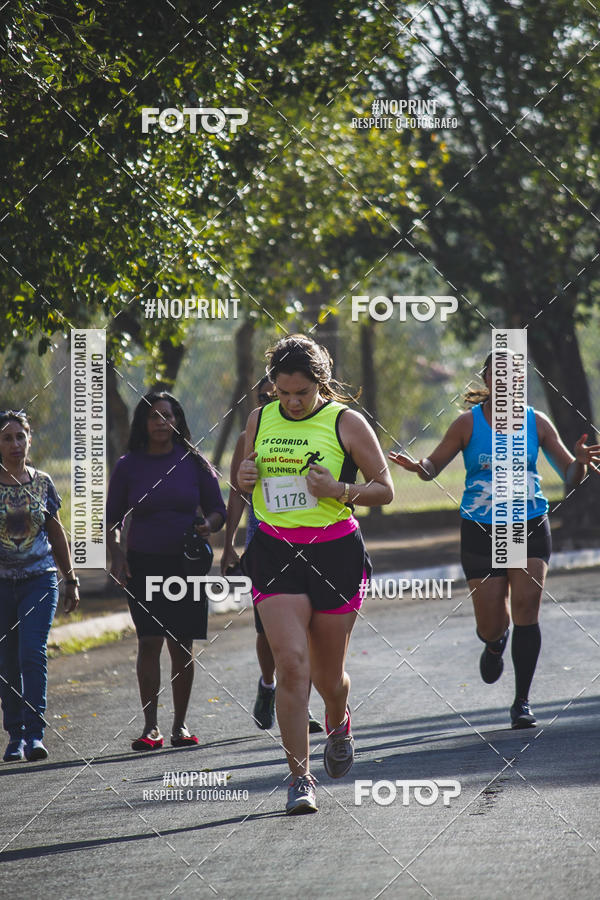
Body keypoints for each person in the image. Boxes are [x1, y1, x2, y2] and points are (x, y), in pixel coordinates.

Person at [389, 350, 600, 729]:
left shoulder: (537, 422)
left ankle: (522, 702)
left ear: (520, 381)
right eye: (495, 375)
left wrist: (580, 462)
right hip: (481, 528)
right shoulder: (466, 425)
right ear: (487, 381)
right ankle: (492, 641)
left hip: (527, 521)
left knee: (526, 606)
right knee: (491, 622)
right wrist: (419, 467)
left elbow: (570, 476)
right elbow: (432, 468)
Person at [238, 335, 393, 814]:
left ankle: (338, 717)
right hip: (275, 551)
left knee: (329, 679)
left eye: (300, 393)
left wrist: (340, 488)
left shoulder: (346, 422)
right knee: (291, 664)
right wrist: (242, 478)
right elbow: (245, 475)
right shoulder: (259, 418)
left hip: (333, 555)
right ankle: (299, 778)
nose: (291, 402)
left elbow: (384, 490)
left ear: (320, 384)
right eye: (281, 392)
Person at [106, 392, 226, 751]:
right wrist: (117, 554)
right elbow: (112, 520)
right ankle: (150, 727)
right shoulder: (129, 465)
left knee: (180, 643)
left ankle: (180, 725)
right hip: (143, 562)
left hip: (185, 565)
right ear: (144, 422)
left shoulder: (193, 462)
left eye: (168, 415)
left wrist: (209, 524)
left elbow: (218, 510)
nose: (162, 422)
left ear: (178, 420)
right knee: (148, 641)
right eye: (154, 416)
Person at [220, 377, 323, 734]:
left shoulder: (322, 428)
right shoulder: (251, 433)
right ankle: (268, 684)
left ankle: (302, 704)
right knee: (269, 631)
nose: (279, 402)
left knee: (309, 628)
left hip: (314, 541)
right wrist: (229, 541)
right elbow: (237, 489)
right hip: (265, 540)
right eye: (268, 396)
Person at [0, 410, 79, 762]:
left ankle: (34, 734)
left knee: (32, 653)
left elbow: (56, 532)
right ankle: (14, 735)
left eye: (21, 436)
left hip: (40, 580)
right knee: (7, 661)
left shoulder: (42, 482)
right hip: (2, 585)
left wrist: (71, 578)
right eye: (7, 438)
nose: (15, 444)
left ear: (29, 439)